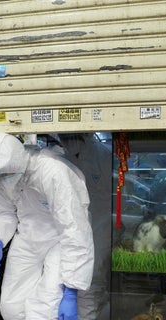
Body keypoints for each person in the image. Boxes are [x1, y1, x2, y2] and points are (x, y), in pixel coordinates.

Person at [0, 132, 94, 320]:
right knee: (11, 307)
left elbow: (75, 229)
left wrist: (71, 291)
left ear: (17, 163)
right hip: (28, 235)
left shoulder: (52, 171)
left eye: (4, 175)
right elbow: (3, 209)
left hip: (60, 239)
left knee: (45, 309)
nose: (0, 180)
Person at [58, 133, 113, 320]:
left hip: (99, 229)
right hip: (71, 232)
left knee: (92, 284)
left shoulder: (104, 156)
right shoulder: (60, 158)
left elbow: (116, 195)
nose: (67, 140)